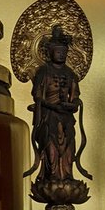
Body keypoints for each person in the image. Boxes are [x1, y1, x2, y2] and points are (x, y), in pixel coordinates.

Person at [29, 26, 87, 183]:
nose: (61, 55)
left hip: (66, 115)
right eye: (58, 52)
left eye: (64, 52)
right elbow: (37, 95)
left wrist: (73, 105)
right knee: (51, 144)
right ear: (50, 52)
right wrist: (51, 105)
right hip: (49, 115)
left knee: (69, 144)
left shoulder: (70, 74)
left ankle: (67, 176)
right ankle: (52, 176)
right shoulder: (43, 71)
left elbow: (75, 97)